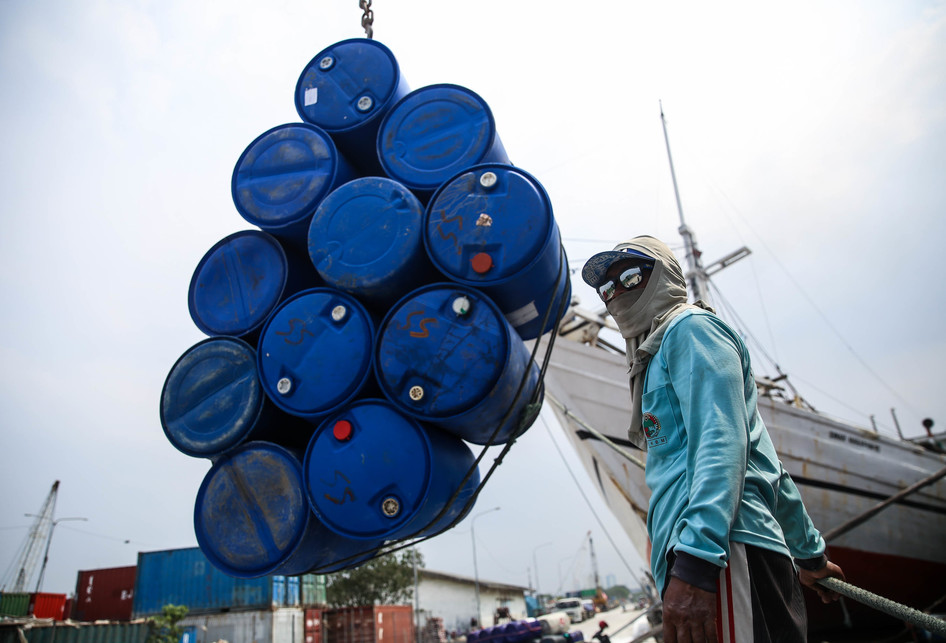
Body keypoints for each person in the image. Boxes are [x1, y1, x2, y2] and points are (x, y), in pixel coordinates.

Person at [581, 236, 845, 643]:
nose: (618, 293)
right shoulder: (654, 354)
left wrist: (697, 564)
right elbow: (765, 462)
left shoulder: (689, 330)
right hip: (714, 554)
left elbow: (722, 448)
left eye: (631, 277)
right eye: (608, 288)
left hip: (723, 555)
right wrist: (810, 555)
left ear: (664, 277)